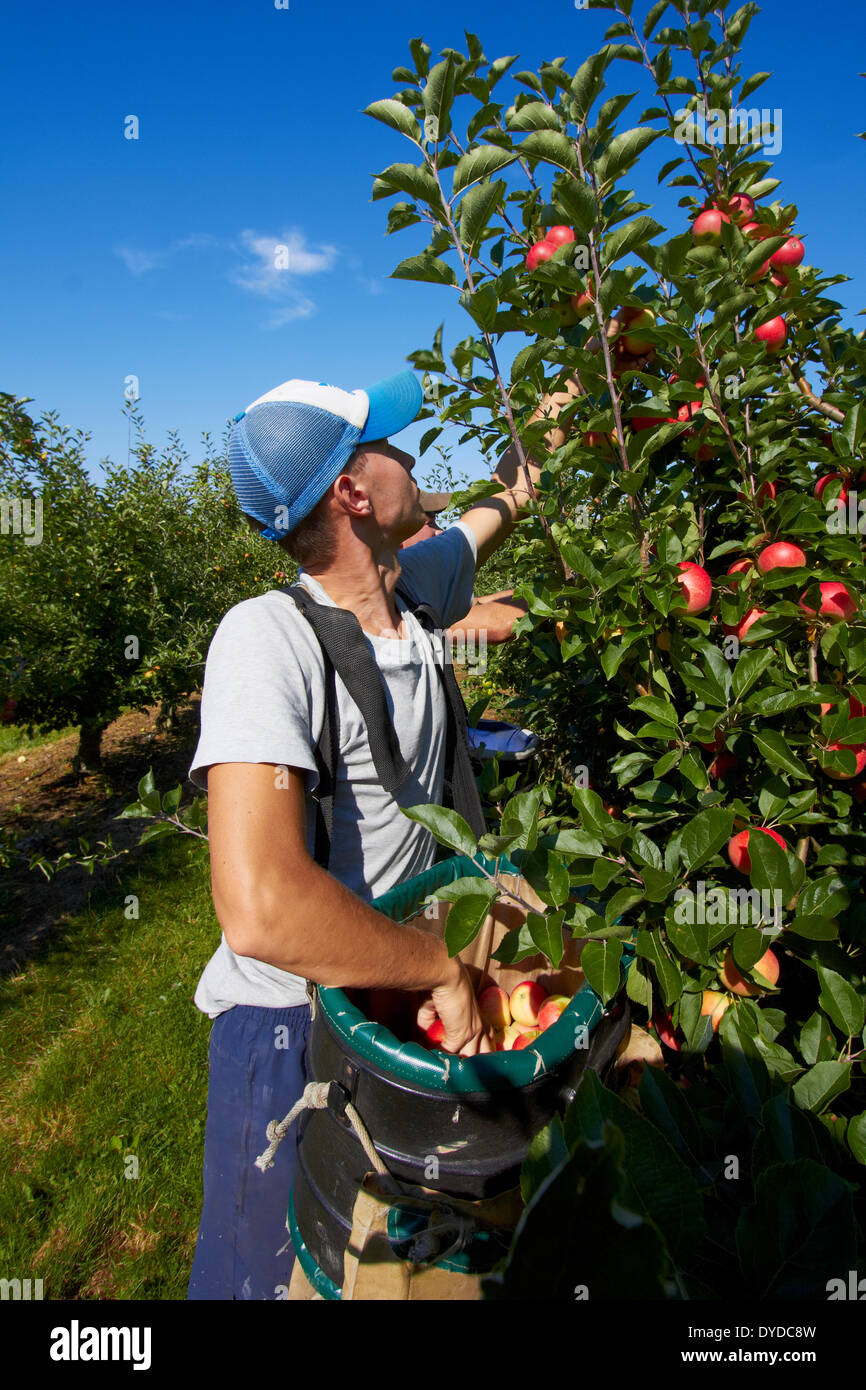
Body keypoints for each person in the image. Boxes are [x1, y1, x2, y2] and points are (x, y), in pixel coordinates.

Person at [185, 369, 579, 1300]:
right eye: (392, 446)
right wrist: (441, 969)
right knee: (272, 1275)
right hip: (288, 1030)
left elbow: (504, 497)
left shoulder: (418, 591)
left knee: (388, 1270)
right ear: (354, 495)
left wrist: (575, 389)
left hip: (394, 1000)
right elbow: (261, 907)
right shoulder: (264, 639)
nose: (413, 455)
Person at [400, 492, 529, 644]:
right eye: (430, 523)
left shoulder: (413, 588)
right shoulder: (398, 601)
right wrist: (555, 600)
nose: (440, 531)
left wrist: (545, 590)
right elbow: (498, 623)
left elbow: (477, 603)